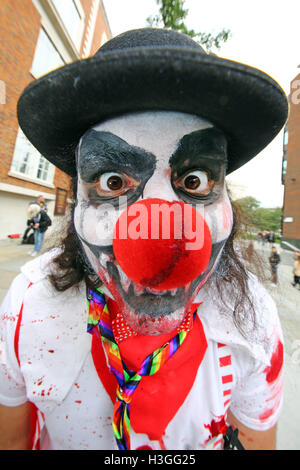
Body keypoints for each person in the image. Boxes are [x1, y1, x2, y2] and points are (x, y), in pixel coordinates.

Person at [0, 28, 288, 451]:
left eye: (196, 179)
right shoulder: (27, 306)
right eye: (113, 181)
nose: (160, 236)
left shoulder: (253, 321)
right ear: (77, 198)